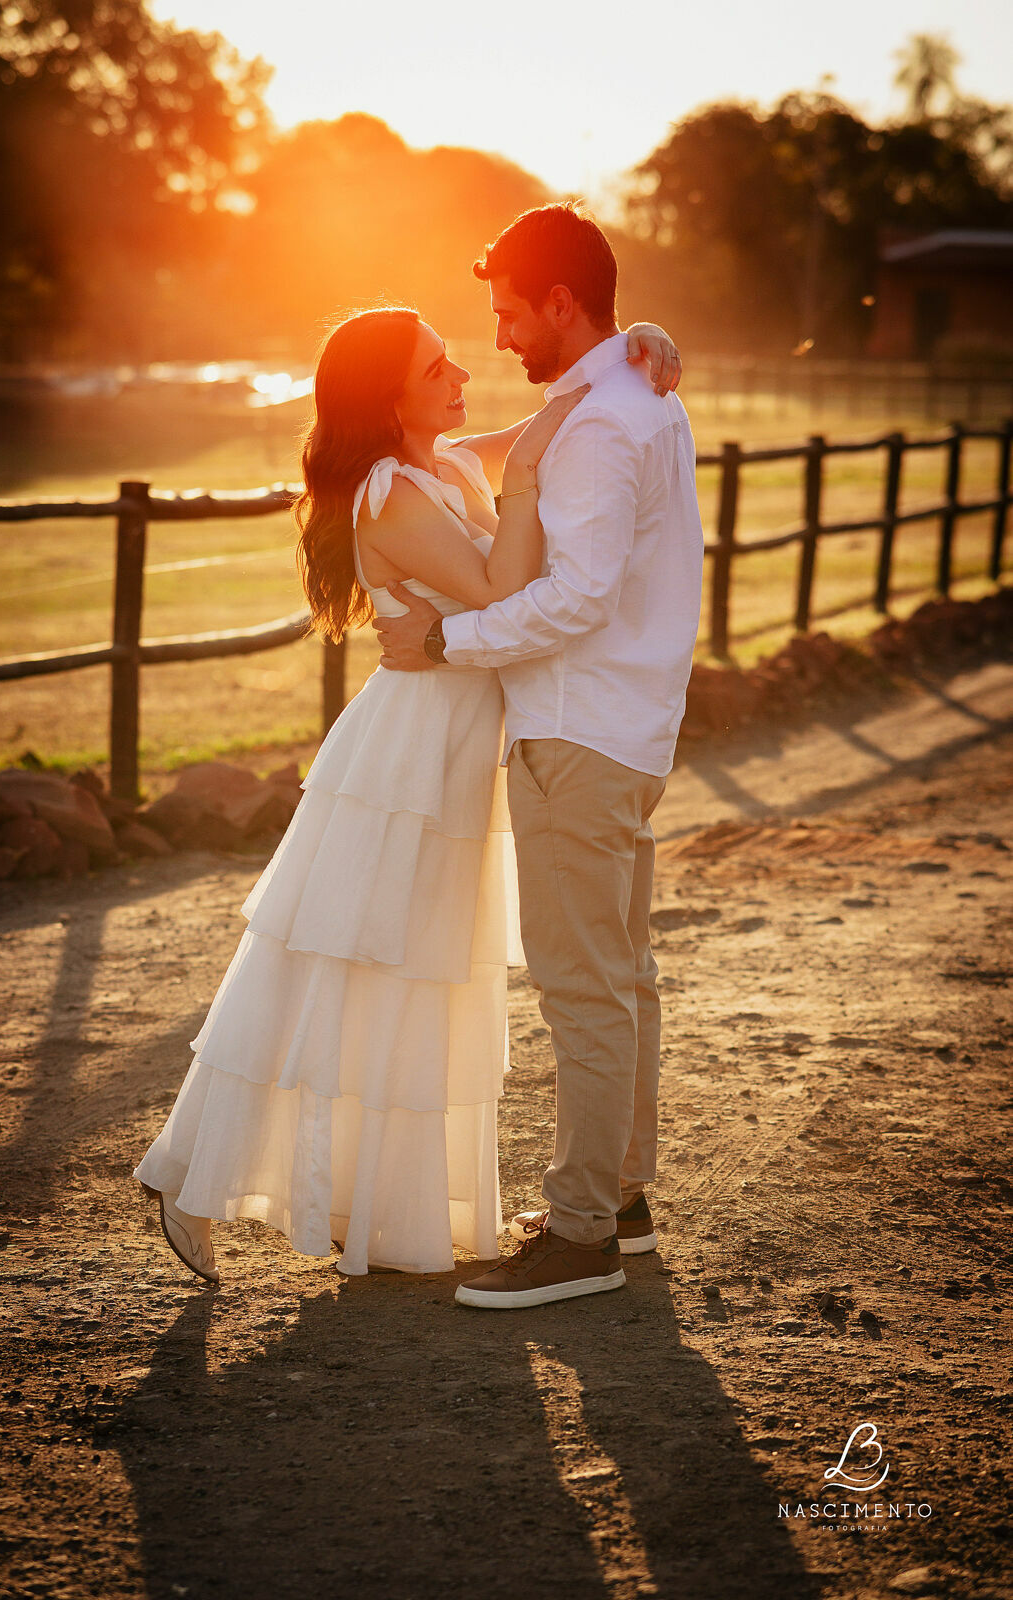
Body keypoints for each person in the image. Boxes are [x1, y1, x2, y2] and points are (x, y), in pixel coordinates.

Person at [134, 301, 679, 1281]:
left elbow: (559, 408)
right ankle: (185, 1170)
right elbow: (500, 593)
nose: (459, 374)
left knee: (411, 977)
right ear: (388, 399)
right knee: (329, 968)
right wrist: (521, 476)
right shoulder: (391, 491)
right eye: (435, 370)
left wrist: (636, 347)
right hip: (402, 758)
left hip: (449, 752)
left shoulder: (442, 463)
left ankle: (367, 1199)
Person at [375, 203, 705, 1309]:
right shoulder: (622, 395)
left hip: (579, 729)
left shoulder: (606, 421)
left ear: (562, 302)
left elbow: (572, 598)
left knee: (580, 989)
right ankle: (618, 1200)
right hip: (620, 727)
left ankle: (580, 1239)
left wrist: (442, 638)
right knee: (619, 978)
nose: (503, 339)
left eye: (511, 314)